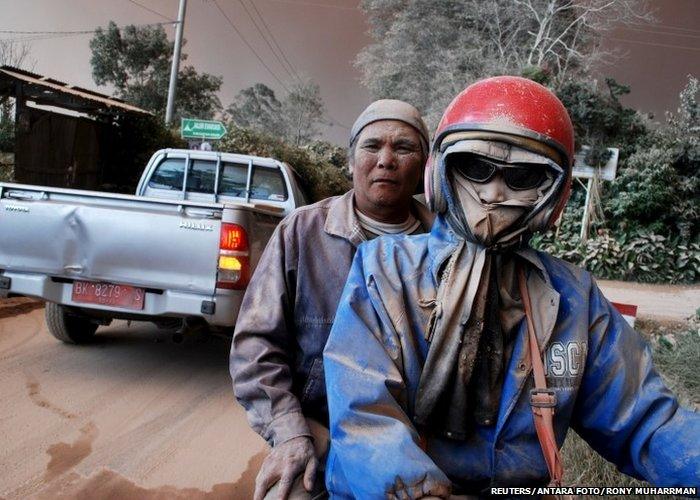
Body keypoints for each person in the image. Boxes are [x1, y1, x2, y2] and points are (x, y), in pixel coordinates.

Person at [323, 76, 700, 498]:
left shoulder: (574, 296)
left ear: (555, 194)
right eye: (476, 168)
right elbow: (365, 414)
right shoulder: (386, 269)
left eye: (522, 176)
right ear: (440, 172)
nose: (494, 192)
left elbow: (646, 421)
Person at [231, 99, 435, 500]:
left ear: (426, 167)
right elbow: (256, 346)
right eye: (372, 146)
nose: (386, 160)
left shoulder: (447, 247)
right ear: (350, 160)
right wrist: (290, 433)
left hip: (424, 440)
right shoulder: (302, 232)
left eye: (404, 148)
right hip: (325, 431)